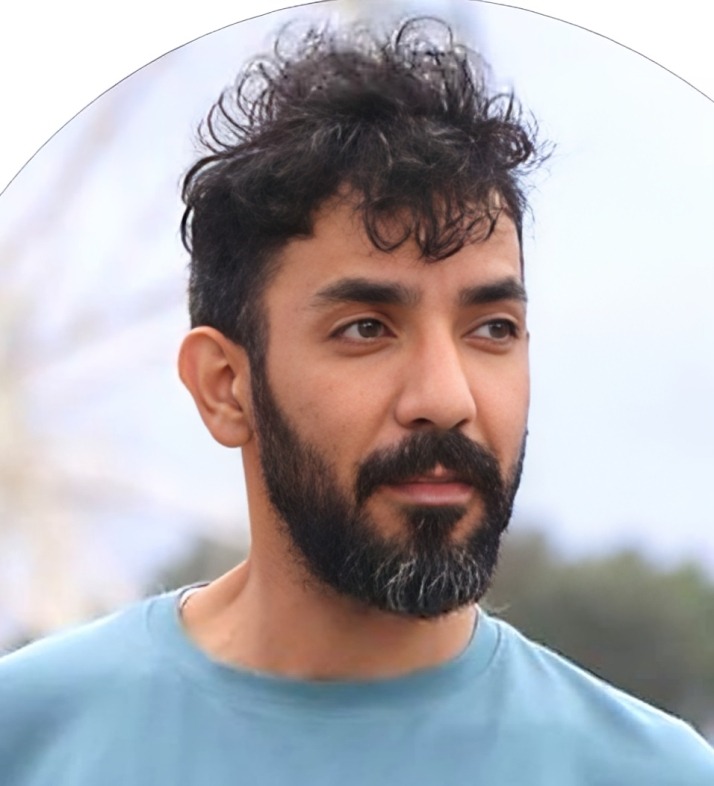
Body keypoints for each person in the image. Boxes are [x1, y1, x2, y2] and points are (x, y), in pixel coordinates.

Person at [1, 16, 712, 785]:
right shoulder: (28, 738)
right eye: (367, 328)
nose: (447, 398)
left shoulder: (653, 772)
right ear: (224, 386)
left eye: (492, 329)